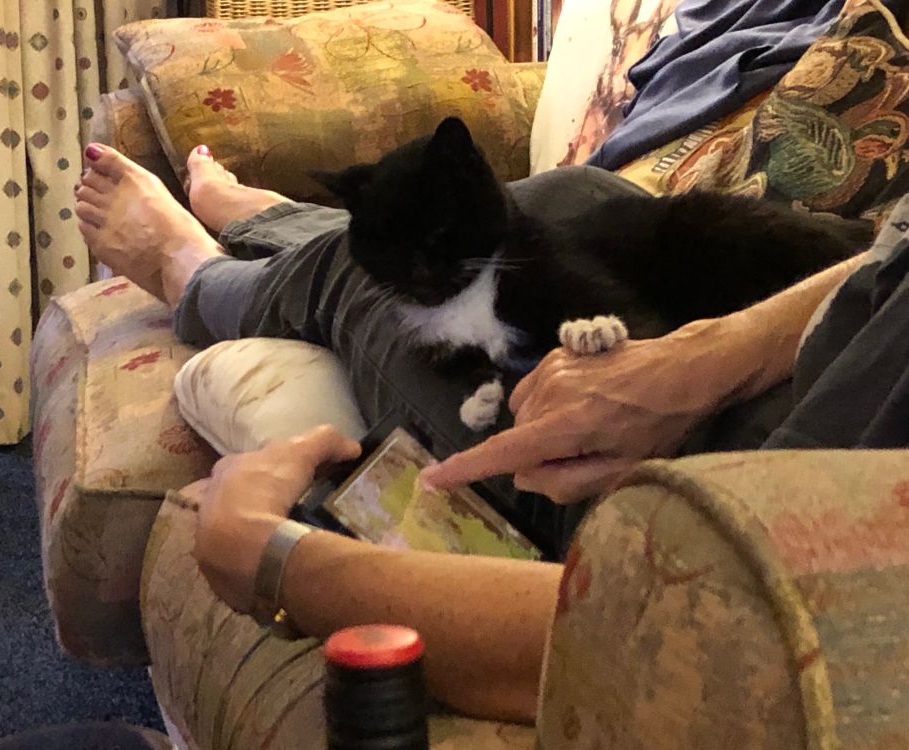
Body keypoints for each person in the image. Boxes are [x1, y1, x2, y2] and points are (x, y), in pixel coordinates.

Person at [74, 142, 908, 723]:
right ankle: (279, 218)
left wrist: (273, 560)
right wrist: (715, 355)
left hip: (696, 483)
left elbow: (705, 638)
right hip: (787, 336)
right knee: (570, 195)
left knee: (379, 289)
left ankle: (198, 268)